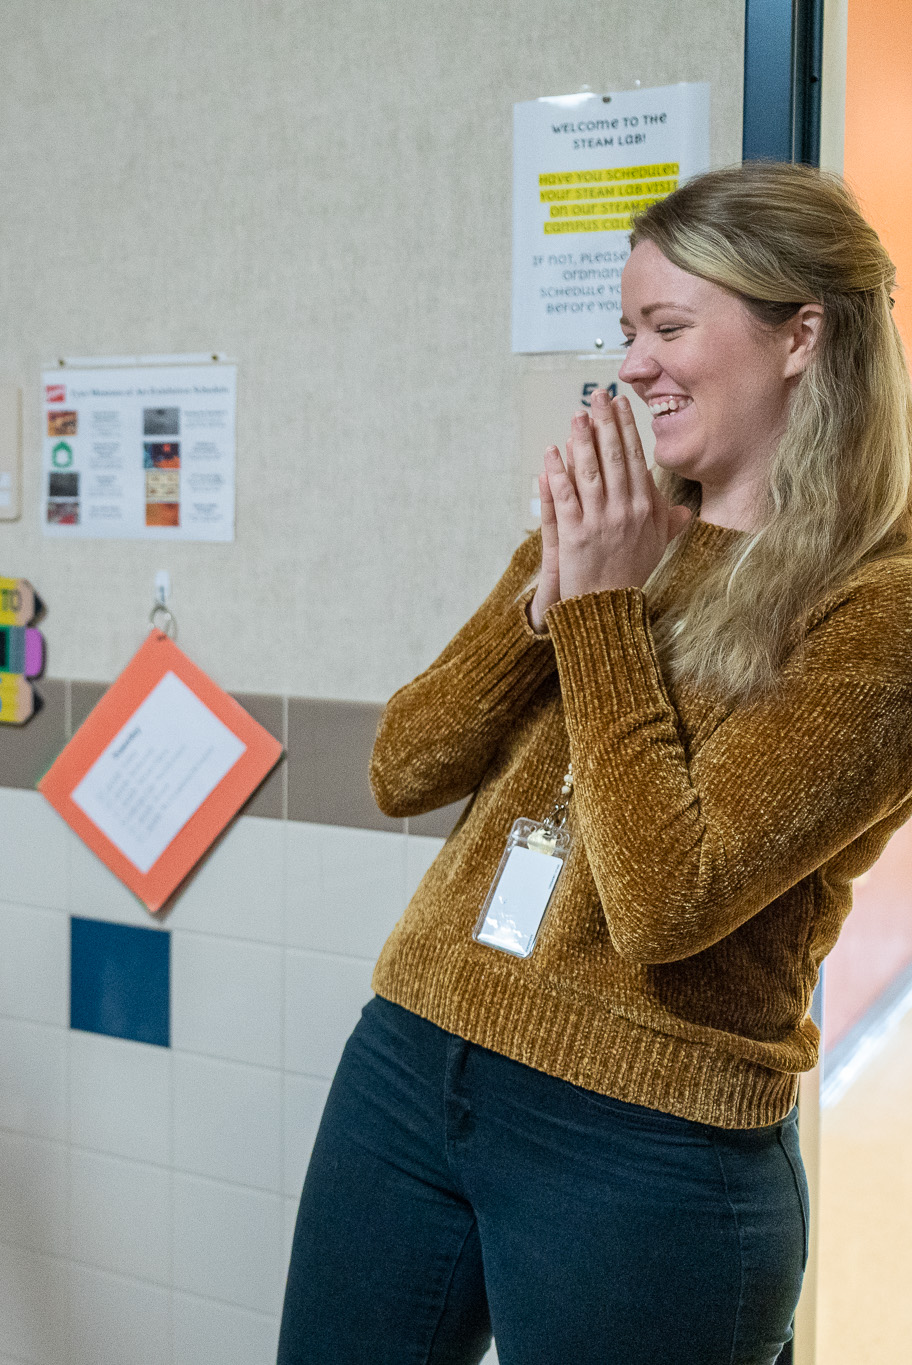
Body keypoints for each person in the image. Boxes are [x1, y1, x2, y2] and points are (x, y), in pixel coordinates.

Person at [279, 162, 912, 1365]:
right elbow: (401, 766)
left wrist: (602, 610)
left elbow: (664, 902)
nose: (632, 365)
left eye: (667, 326)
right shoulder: (618, 521)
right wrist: (549, 600)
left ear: (799, 334)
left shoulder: (880, 606)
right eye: (626, 330)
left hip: (644, 1141)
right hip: (415, 1057)